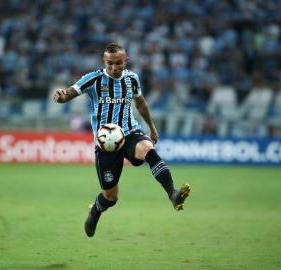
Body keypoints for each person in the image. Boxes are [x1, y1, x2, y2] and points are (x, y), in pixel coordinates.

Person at [52, 43, 191, 237]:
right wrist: (60, 96)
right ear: (104, 62)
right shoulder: (93, 79)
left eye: (118, 63)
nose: (114, 68)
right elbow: (69, 93)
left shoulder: (132, 79)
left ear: (126, 61)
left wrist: (151, 127)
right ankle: (96, 210)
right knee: (111, 197)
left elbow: (140, 102)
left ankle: (172, 193)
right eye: (110, 63)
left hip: (130, 132)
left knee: (148, 149)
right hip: (106, 144)